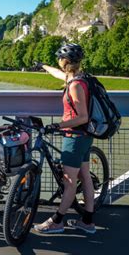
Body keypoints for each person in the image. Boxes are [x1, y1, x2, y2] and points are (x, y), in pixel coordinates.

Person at [33, 43, 96, 234]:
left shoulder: (75, 85)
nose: (58, 61)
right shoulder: (76, 78)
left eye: (59, 58)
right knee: (85, 177)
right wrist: (43, 66)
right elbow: (57, 74)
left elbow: (83, 116)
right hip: (84, 137)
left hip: (75, 137)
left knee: (69, 181)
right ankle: (87, 222)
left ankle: (57, 221)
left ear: (65, 61)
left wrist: (57, 125)